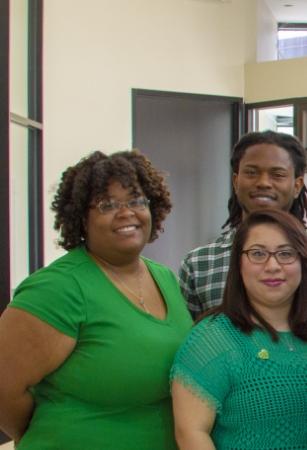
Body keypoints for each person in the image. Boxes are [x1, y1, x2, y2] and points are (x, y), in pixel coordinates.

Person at [0, 150, 192, 449]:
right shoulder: (57, 288)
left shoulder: (164, 278)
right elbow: (4, 390)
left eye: (137, 201)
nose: (126, 212)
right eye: (107, 204)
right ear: (81, 217)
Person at [171, 209, 307, 450]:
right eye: (258, 253)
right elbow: (191, 433)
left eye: (286, 253)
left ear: (303, 261)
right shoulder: (212, 339)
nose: (272, 265)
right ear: (238, 262)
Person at [180, 131, 307, 318]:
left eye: (277, 175)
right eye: (251, 173)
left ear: (297, 186)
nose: (263, 183)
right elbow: (191, 341)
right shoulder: (198, 264)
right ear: (235, 181)